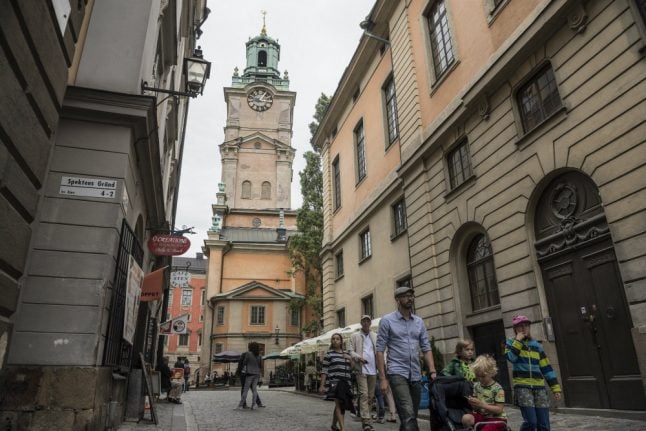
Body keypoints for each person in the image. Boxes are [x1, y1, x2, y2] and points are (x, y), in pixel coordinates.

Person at [376, 286, 436, 431]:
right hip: (397, 372)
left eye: (411, 295)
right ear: (397, 300)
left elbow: (426, 347)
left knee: (410, 417)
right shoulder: (387, 321)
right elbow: (379, 350)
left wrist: (432, 370)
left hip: (415, 373)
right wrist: (383, 379)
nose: (410, 298)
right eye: (406, 296)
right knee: (408, 414)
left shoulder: (419, 322)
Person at [505, 315, 562, 431]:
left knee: (544, 425)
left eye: (526, 326)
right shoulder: (510, 343)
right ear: (515, 329)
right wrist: (518, 341)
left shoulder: (537, 346)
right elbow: (511, 358)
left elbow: (547, 368)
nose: (523, 328)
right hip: (522, 386)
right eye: (520, 326)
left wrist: (555, 388)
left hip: (539, 388)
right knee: (531, 422)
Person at [320, 333, 355, 431]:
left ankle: (333, 425)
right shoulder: (329, 354)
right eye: (333, 339)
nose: (335, 340)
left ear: (341, 341)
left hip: (345, 382)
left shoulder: (346, 353)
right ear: (331, 341)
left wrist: (350, 359)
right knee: (340, 404)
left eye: (337, 339)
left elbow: (351, 368)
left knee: (340, 403)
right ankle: (343, 428)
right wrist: (322, 385)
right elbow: (324, 371)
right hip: (334, 382)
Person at [462, 355, 507, 431]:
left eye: (483, 376)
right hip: (482, 416)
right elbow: (476, 408)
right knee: (466, 418)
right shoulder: (477, 386)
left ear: (492, 373)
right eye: (478, 376)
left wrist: (482, 405)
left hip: (496, 418)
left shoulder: (498, 389)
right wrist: (473, 403)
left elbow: (499, 409)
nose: (480, 379)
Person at [349, 315, 378, 431]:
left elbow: (380, 351)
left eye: (368, 321)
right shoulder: (355, 336)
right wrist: (359, 357)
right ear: (361, 323)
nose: (366, 323)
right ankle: (366, 421)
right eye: (364, 321)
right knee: (364, 394)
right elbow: (350, 351)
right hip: (361, 369)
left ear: (370, 323)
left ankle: (367, 419)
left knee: (371, 396)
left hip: (373, 369)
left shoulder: (375, 336)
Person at [237, 342, 264, 410]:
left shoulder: (247, 354)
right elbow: (261, 366)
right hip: (256, 374)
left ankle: (242, 405)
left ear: (250, 347)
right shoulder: (260, 355)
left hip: (248, 374)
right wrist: (260, 377)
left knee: (245, 389)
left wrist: (240, 372)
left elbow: (243, 363)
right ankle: (254, 404)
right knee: (254, 389)